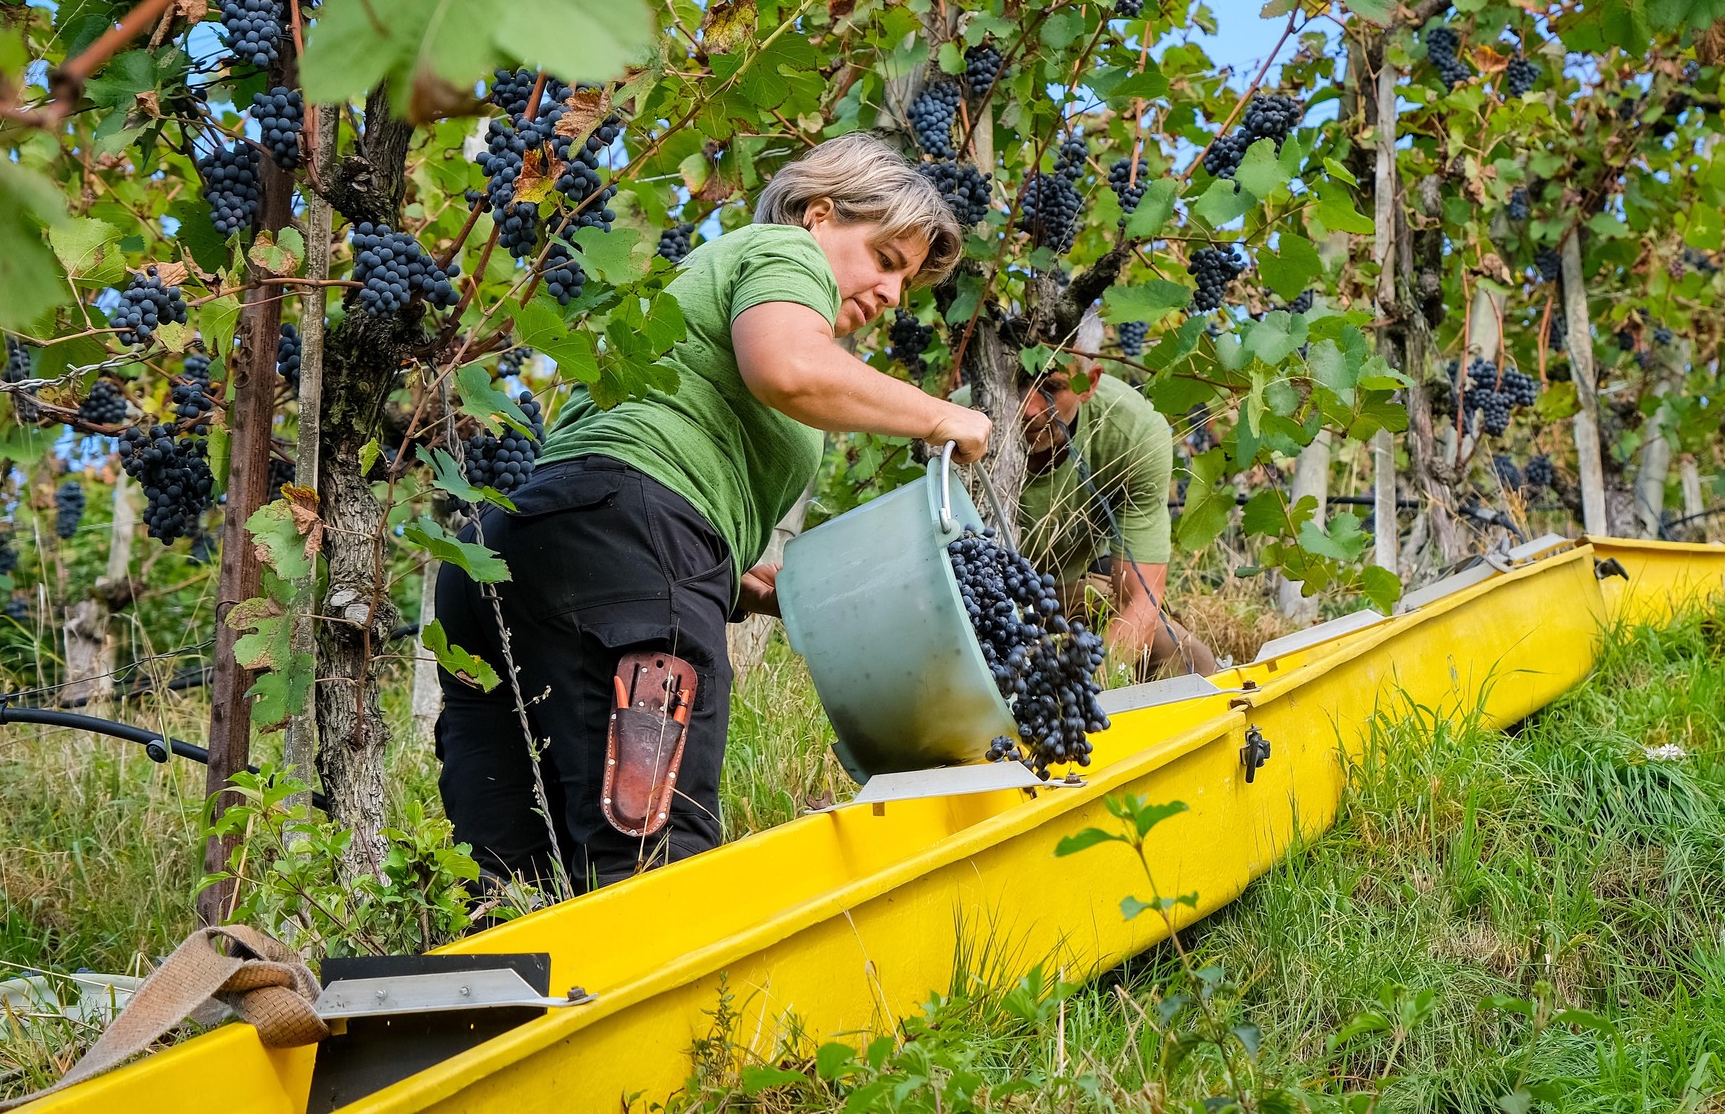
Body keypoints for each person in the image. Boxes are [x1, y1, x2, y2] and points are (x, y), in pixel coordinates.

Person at [433, 135, 991, 891]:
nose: (894, 294)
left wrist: (747, 583)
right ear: (821, 213)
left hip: (507, 559)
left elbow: (646, 488)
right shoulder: (785, 253)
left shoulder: (716, 277)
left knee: (514, 891)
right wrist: (940, 416)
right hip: (622, 546)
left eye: (908, 283)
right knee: (652, 870)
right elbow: (787, 368)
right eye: (888, 259)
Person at [1007, 332, 1219, 680]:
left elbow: (1140, 602)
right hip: (980, 602)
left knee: (1192, 664)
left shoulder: (1132, 432)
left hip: (1070, 583)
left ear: (1088, 384)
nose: (1030, 408)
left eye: (1053, 388)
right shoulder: (961, 426)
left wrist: (1092, 686)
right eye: (1018, 383)